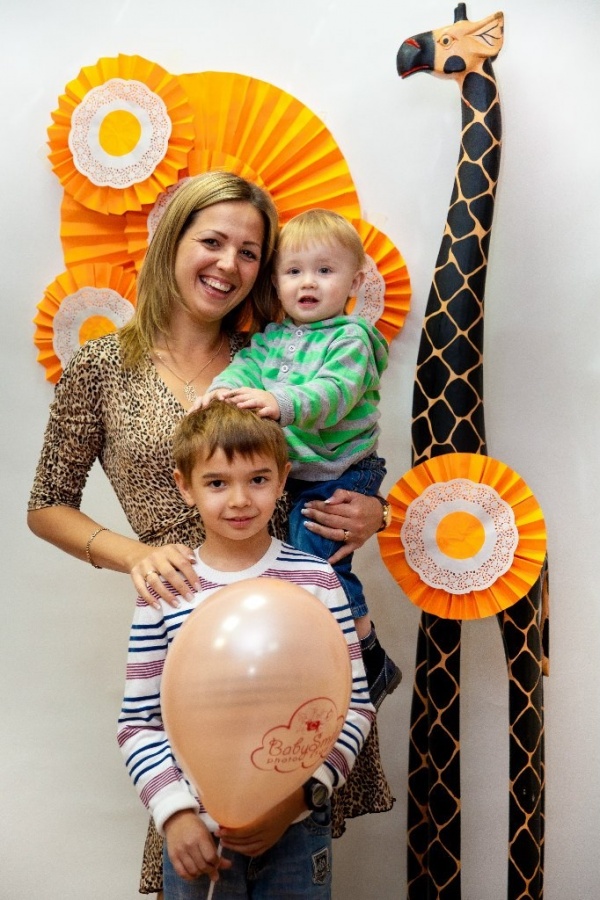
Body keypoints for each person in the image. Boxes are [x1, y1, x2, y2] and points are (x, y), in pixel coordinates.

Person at [27, 172, 393, 895]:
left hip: (293, 640)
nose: (229, 264)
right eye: (213, 241)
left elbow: (345, 432)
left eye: (250, 252)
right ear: (172, 240)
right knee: (197, 837)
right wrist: (138, 556)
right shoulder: (102, 366)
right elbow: (46, 504)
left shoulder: (279, 351)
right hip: (188, 634)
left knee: (289, 835)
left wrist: (376, 512)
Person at [118, 401, 375, 898]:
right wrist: (175, 815)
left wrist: (297, 801)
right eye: (217, 483)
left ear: (282, 481)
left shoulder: (317, 581)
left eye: (258, 480)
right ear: (185, 487)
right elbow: (138, 723)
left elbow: (355, 708)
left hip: (297, 831)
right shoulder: (167, 589)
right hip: (197, 837)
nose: (239, 500)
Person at [198, 209, 401, 709]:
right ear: (276, 281)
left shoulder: (351, 338)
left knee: (317, 563)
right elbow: (244, 367)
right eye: (293, 271)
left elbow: (334, 392)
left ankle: (367, 655)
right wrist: (221, 390)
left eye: (324, 270)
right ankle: (327, 661)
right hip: (301, 472)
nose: (307, 282)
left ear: (354, 282)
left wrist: (280, 401)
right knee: (291, 567)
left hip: (340, 469)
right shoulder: (271, 339)